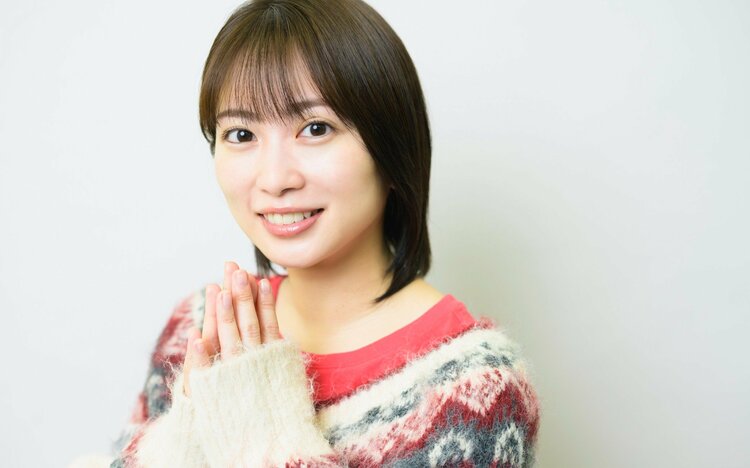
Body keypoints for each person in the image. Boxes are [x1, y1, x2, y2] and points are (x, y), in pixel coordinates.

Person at [70, 0, 541, 466]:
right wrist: (184, 443)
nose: (275, 179)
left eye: (316, 128)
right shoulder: (196, 330)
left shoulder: (476, 391)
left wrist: (262, 433)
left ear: (392, 149)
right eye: (241, 134)